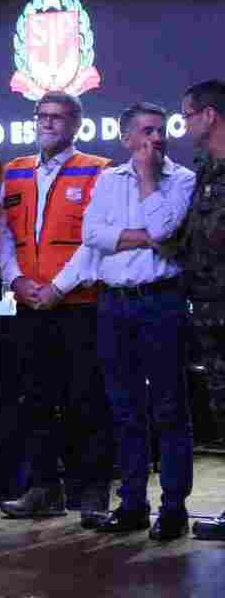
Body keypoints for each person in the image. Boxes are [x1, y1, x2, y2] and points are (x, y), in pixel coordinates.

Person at [0, 92, 114, 528]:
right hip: (29, 303)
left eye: (57, 118)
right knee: (35, 399)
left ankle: (93, 489)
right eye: (41, 116)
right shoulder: (15, 170)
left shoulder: (99, 171)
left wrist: (58, 288)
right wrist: (17, 280)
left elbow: (95, 241)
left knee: (85, 398)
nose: (47, 123)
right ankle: (44, 488)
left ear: (76, 125)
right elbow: (3, 235)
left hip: (78, 303)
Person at [82, 102, 195, 540]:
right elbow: (93, 235)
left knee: (169, 409)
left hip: (161, 302)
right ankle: (131, 504)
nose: (156, 139)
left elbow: (169, 234)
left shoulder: (182, 179)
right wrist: (148, 236)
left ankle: (173, 509)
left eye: (161, 131)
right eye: (146, 131)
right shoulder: (108, 180)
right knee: (124, 408)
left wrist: (148, 181)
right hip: (114, 304)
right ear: (126, 138)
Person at [169, 80, 225, 541]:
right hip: (210, 310)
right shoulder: (204, 167)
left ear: (209, 116)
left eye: (186, 116)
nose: (183, 124)